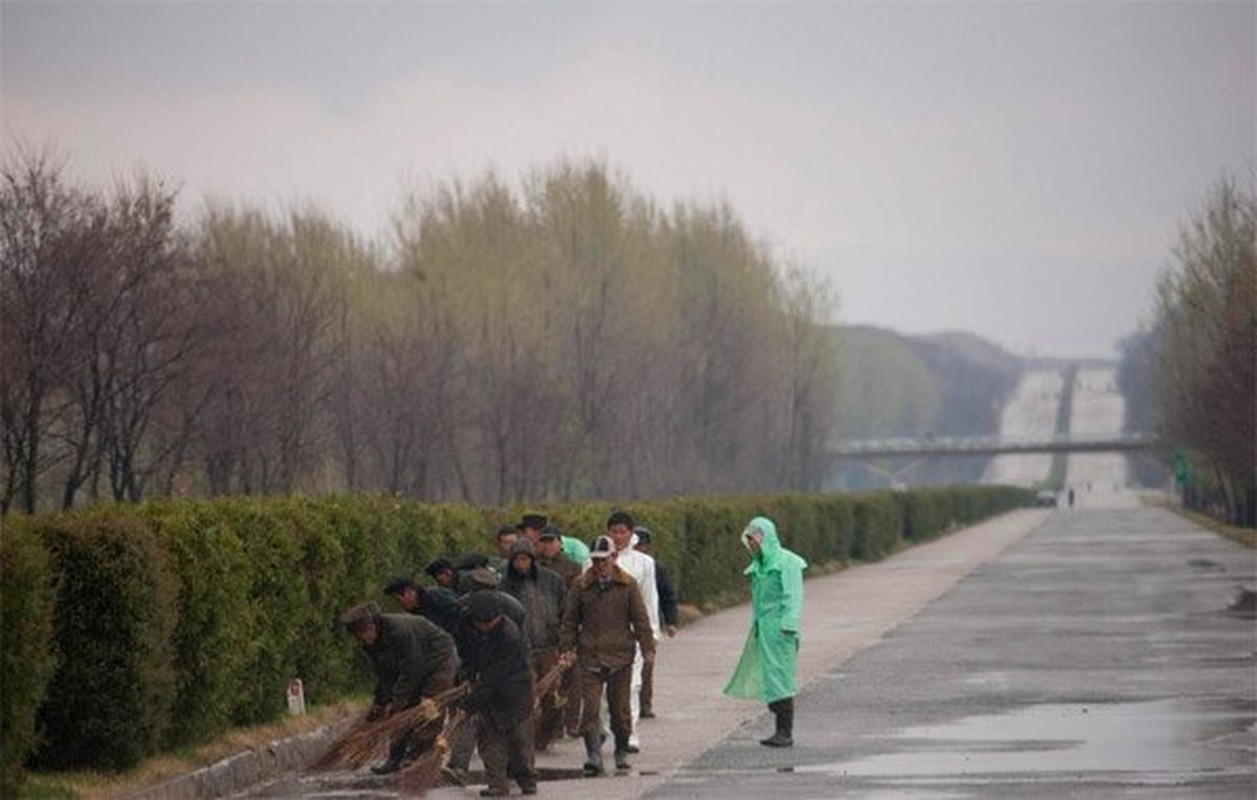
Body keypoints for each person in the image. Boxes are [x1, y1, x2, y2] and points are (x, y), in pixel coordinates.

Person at [560, 535, 655, 775]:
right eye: (595, 560)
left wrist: (648, 647)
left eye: (603, 560)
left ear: (614, 558)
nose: (599, 565)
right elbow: (570, 621)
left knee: (620, 712)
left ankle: (621, 751)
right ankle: (594, 754)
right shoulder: (581, 585)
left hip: (620, 657)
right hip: (590, 655)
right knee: (590, 709)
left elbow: (640, 619)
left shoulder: (628, 584)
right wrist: (567, 649)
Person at [338, 601, 460, 774]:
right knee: (399, 715)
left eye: (363, 634)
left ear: (372, 626)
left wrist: (398, 700)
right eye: (358, 637)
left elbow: (412, 669)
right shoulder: (370, 644)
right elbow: (384, 674)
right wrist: (381, 701)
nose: (363, 640)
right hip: (413, 666)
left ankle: (416, 754)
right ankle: (394, 758)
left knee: (430, 707)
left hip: (439, 661)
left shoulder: (399, 631)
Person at [722, 516, 807, 748]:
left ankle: (785, 731)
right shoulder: (759, 566)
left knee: (781, 678)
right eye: (749, 540)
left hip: (781, 630)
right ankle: (779, 725)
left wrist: (789, 625)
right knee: (769, 677)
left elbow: (793, 595)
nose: (752, 545)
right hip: (764, 629)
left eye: (755, 540)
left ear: (766, 538)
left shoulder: (787, 562)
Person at [458, 591, 537, 797]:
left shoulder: (509, 635)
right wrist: (466, 675)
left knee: (519, 741)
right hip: (487, 687)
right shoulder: (467, 625)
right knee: (489, 738)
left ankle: (527, 779)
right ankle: (497, 784)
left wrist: (467, 706)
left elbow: (494, 678)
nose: (487, 627)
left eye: (491, 622)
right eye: (483, 623)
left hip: (515, 688)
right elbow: (467, 654)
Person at [500, 537, 568, 751]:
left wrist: (564, 641)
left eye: (525, 559)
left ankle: (543, 737)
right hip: (521, 649)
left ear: (532, 559)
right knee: (526, 697)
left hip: (549, 646)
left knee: (552, 698)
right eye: (517, 560)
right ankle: (526, 741)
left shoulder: (552, 580)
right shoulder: (504, 585)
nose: (521, 564)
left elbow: (565, 611)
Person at [604, 511, 660, 751]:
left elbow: (650, 600)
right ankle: (608, 730)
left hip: (632, 633)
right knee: (605, 690)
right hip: (602, 634)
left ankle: (629, 734)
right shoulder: (596, 559)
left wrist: (651, 636)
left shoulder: (644, 563)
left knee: (631, 686)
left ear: (631, 533)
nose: (618, 536)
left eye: (622, 532)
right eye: (613, 532)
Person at [535, 526, 583, 737]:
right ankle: (551, 726)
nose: (547, 545)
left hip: (565, 626)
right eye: (543, 541)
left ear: (559, 543)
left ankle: (571, 723)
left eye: (551, 540)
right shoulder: (534, 567)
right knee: (546, 680)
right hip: (542, 630)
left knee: (571, 678)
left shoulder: (572, 568)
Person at [632, 526, 679, 719]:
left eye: (642, 545)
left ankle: (644, 704)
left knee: (646, 664)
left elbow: (667, 595)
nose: (639, 549)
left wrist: (671, 621)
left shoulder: (655, 567)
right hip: (624, 622)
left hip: (647, 621)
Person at [384, 575, 462, 637]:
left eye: (398, 600)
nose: (399, 604)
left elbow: (460, 612)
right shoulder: (416, 613)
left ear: (409, 592)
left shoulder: (434, 595)